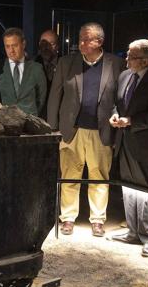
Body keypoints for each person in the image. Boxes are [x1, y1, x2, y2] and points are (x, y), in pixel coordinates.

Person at [47, 22, 124, 237]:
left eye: (86, 39)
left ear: (99, 42)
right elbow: (55, 96)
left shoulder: (115, 64)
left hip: (102, 131)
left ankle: (98, 219)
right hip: (72, 130)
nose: (80, 43)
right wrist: (53, 129)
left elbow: (121, 97)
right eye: (80, 38)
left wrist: (118, 120)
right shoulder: (66, 63)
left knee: (99, 177)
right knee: (70, 176)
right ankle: (68, 218)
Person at [108, 39, 148, 257]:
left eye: (131, 56)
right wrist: (116, 115)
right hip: (125, 141)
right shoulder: (125, 75)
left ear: (145, 61)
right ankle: (133, 231)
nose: (126, 59)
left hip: (146, 145)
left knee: (146, 191)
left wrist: (131, 121)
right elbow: (118, 102)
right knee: (128, 187)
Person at [0, 27, 47, 117]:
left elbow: (41, 98)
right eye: (7, 46)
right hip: (5, 121)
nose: (11, 50)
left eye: (15, 45)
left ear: (23, 44)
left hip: (30, 121)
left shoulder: (36, 68)